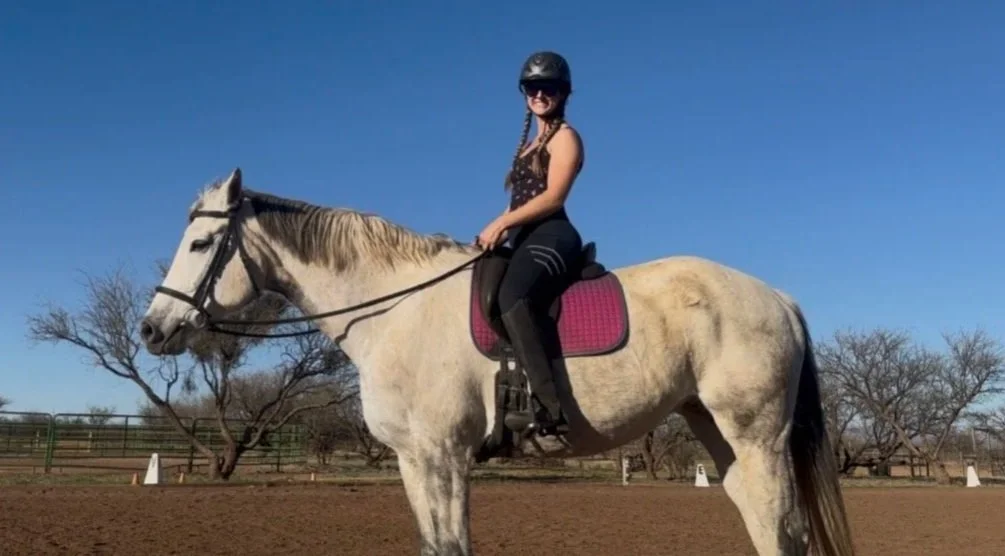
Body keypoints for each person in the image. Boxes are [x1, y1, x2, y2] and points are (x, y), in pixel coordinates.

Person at [476, 50, 585, 436]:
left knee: (514, 298)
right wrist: (494, 233)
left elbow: (553, 197)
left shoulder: (567, 138)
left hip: (554, 235)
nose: (539, 94)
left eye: (548, 88)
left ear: (563, 93)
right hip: (523, 236)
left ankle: (549, 407)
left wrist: (503, 221)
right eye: (532, 88)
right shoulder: (526, 146)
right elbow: (518, 200)